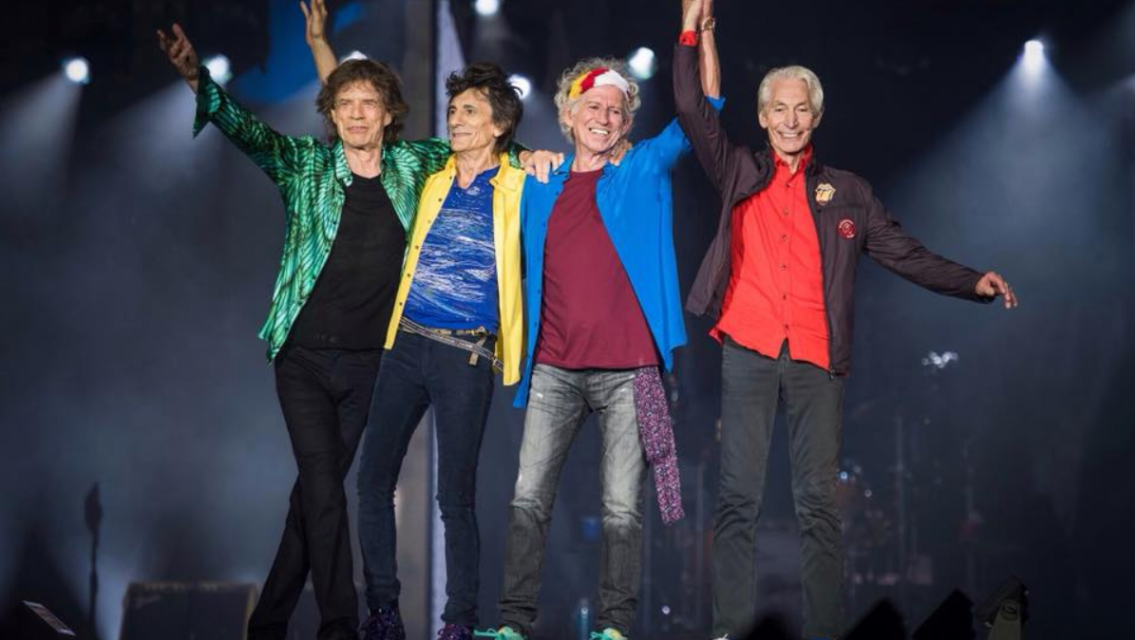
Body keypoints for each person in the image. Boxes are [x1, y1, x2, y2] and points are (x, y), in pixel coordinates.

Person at [672, 1, 1019, 638]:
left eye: (801, 109)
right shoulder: (738, 170)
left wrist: (971, 282)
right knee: (738, 498)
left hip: (816, 355)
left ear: (817, 117)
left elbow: (904, 252)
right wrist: (690, 32)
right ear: (762, 117)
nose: (790, 120)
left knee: (818, 504)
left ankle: (826, 632)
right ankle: (728, 630)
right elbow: (693, 109)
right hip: (749, 347)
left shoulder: (849, 192)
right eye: (779, 109)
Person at [157, 18, 455, 640]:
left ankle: (267, 624)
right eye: (344, 104)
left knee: (313, 498)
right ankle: (339, 623)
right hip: (303, 360)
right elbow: (247, 131)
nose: (355, 114)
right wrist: (196, 79)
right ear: (331, 113)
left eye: (367, 104)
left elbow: (477, 149)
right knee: (323, 489)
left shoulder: (415, 165)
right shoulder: (306, 165)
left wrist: (531, 153)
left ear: (389, 114)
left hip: (371, 364)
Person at [301, 3, 559, 638]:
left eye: (469, 112)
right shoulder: (427, 171)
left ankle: (459, 622)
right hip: (406, 344)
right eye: (453, 111)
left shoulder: (522, 182)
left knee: (455, 497)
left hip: (467, 353)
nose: (456, 119)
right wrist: (320, 44)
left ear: (499, 125)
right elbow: (356, 118)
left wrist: (544, 157)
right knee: (371, 482)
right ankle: (384, 611)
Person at [476, 5, 723, 640]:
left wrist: (698, 35)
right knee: (528, 497)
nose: (605, 117)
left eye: (616, 111)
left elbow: (705, 110)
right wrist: (527, 152)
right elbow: (480, 154)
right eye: (593, 106)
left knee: (621, 507)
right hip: (553, 368)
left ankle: (613, 627)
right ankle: (512, 625)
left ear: (626, 123)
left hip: (630, 371)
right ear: (568, 115)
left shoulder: (641, 169)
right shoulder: (541, 181)